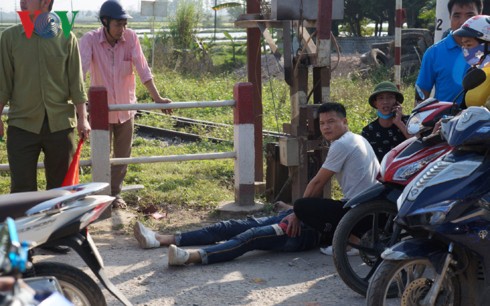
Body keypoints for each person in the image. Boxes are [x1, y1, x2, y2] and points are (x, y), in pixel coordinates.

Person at [133, 102, 379, 265]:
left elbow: (317, 182)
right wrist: (296, 211)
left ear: (345, 122)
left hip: (323, 227)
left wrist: (298, 212)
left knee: (251, 236)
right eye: (323, 123)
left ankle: (193, 256)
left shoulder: (344, 143)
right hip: (342, 216)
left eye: (332, 122)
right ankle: (162, 238)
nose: (326, 127)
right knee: (236, 224)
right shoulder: (358, 140)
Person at [80, 0, 172, 209]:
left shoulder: (130, 38)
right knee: (100, 154)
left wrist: (157, 98)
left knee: (122, 155)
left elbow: (142, 68)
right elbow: (80, 73)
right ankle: (101, 196)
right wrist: (80, 107)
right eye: (118, 24)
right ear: (105, 22)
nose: (122, 29)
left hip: (125, 108)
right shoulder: (90, 40)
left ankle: (115, 194)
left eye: (124, 24)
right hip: (101, 112)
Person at [0, 0, 91, 193]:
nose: (22, 2)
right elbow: (3, 84)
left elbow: (76, 84)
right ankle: (25, 225)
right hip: (22, 125)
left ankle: (58, 224)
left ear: (45, 2)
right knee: (22, 190)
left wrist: (83, 118)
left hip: (60, 125)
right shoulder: (9, 38)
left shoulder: (67, 37)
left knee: (61, 191)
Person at [415, 0, 482, 105]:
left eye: (470, 15)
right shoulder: (434, 53)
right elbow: (421, 98)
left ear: (480, 16)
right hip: (444, 120)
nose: (463, 22)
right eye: (457, 16)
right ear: (450, 17)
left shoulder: (487, 50)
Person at [362, 81, 410, 162]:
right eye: (381, 98)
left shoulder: (409, 121)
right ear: (375, 103)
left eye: (390, 97)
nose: (385, 102)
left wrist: (399, 123)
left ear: (397, 102)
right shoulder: (368, 131)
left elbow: (418, 142)